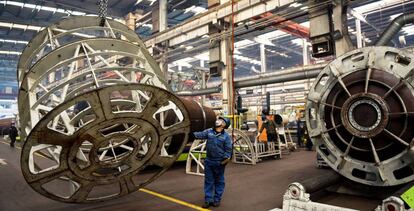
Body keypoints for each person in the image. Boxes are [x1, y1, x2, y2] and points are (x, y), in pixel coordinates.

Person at [193, 117, 232, 208]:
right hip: (209, 161)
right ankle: (208, 200)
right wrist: (191, 134)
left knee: (219, 181)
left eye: (221, 120)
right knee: (208, 181)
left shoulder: (226, 137)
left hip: (219, 162)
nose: (218, 121)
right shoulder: (209, 132)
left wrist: (225, 159)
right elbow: (200, 134)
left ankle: (217, 200)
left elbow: (228, 149)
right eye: (219, 119)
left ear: (224, 125)